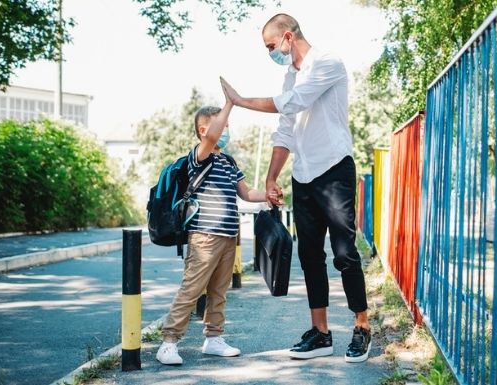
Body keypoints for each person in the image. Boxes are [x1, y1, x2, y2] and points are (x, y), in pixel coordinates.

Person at [220, 12, 372, 363]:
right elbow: (286, 129)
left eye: (271, 46)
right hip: (303, 174)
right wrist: (272, 177)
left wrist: (241, 101)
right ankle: (321, 334)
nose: (271, 53)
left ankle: (362, 326)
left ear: (288, 37)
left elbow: (295, 103)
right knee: (309, 256)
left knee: (344, 252)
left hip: (334, 169)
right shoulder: (290, 77)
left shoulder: (327, 63)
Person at [156, 93, 266, 365]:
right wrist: (230, 104)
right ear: (204, 130)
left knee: (219, 291)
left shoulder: (228, 162)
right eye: (221, 124)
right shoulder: (200, 156)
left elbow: (246, 193)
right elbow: (210, 140)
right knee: (192, 289)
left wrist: (268, 195)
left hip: (229, 236)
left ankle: (214, 338)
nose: (226, 129)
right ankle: (168, 343)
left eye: (227, 125)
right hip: (204, 237)